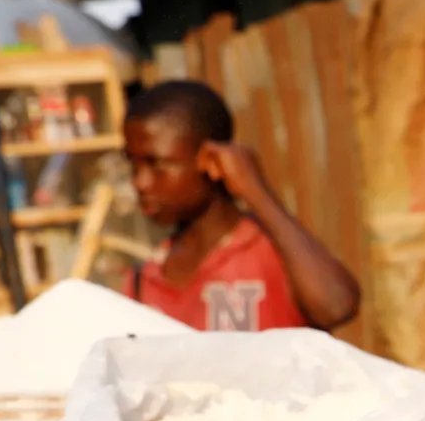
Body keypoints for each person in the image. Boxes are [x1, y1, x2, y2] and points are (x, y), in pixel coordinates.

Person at [121, 80, 361, 332]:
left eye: (156, 163)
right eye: (133, 165)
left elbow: (338, 306)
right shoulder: (143, 280)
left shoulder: (275, 252)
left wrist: (256, 191)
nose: (140, 182)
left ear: (210, 159)